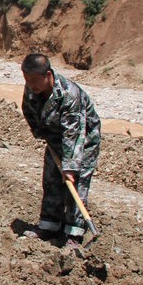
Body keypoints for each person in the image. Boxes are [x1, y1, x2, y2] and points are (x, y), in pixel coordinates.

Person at [21, 53, 101, 249]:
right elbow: (28, 110)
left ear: (48, 75)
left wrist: (70, 166)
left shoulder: (69, 95)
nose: (30, 85)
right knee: (51, 180)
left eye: (34, 80)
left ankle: (74, 233)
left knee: (75, 185)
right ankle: (49, 226)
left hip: (83, 142)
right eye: (27, 80)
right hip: (55, 138)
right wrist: (41, 132)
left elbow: (74, 133)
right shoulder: (32, 89)